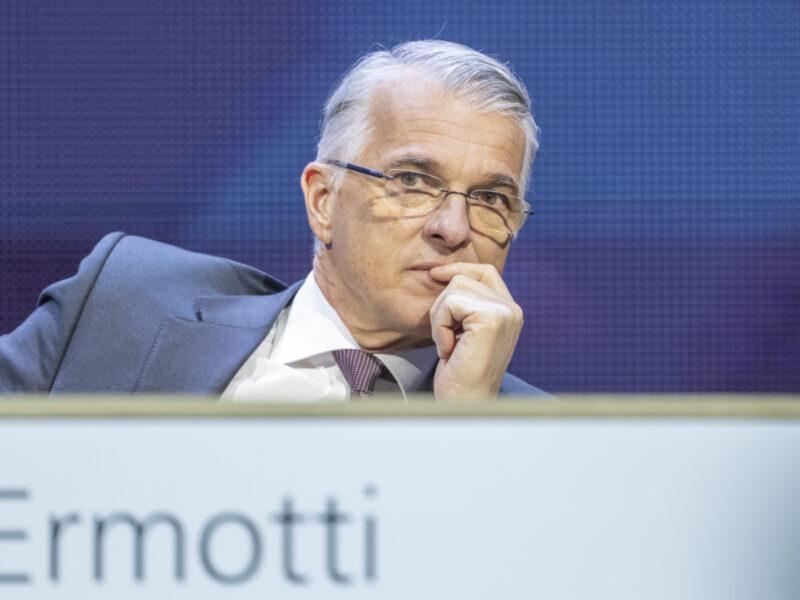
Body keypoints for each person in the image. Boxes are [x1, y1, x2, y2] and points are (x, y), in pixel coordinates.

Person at [0, 40, 551, 400]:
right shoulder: (125, 301)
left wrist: (466, 426)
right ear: (323, 200)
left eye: (490, 198)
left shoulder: (553, 437)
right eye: (412, 181)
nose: (452, 228)